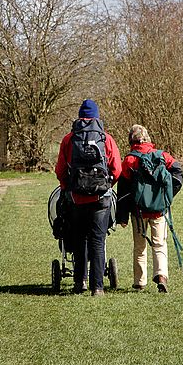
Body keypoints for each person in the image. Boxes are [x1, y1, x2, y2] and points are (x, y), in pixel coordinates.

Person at [55, 99, 122, 296]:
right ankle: (98, 287)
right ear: (96, 117)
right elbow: (116, 169)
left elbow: (60, 170)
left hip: (76, 198)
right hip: (101, 199)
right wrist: (107, 185)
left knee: (79, 240)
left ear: (79, 116)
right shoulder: (106, 139)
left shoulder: (69, 139)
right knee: (98, 241)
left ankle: (80, 283)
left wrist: (68, 187)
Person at [116, 124, 183, 293]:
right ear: (147, 138)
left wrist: (122, 216)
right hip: (160, 211)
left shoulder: (129, 160)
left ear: (131, 140)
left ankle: (140, 282)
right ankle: (161, 276)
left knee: (139, 247)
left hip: (138, 212)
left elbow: (122, 191)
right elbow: (178, 173)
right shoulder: (162, 156)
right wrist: (167, 196)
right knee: (160, 244)